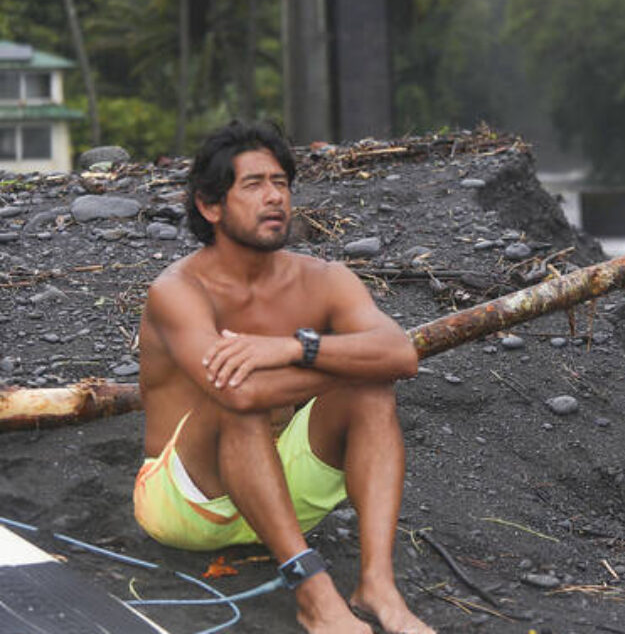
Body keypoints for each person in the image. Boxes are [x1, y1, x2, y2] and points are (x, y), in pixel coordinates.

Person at [132, 121, 434, 634]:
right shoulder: (177, 290)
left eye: (281, 183)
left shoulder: (325, 280)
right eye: (253, 185)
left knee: (370, 390)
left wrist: (295, 347)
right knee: (237, 401)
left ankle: (377, 584)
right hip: (187, 502)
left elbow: (399, 355)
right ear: (211, 206)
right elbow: (240, 391)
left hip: (280, 495)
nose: (274, 198)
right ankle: (316, 599)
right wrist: (337, 367)